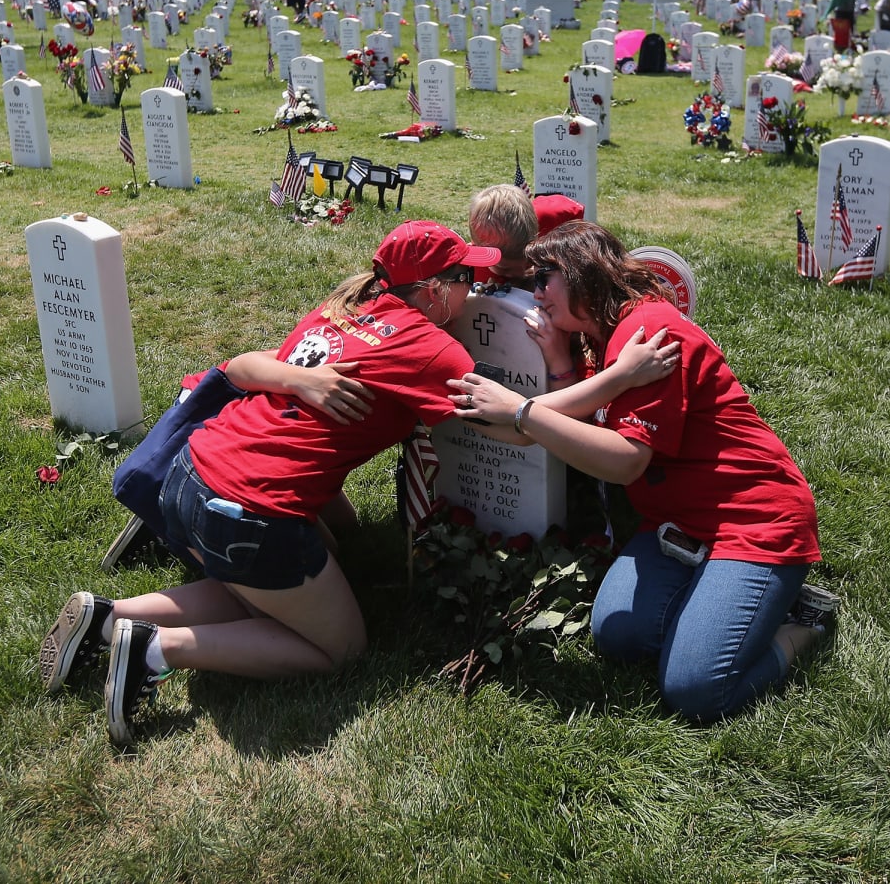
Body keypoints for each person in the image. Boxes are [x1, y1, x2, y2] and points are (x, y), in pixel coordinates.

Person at [40, 222, 503, 746]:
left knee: (267, 598)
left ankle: (109, 618)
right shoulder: (431, 348)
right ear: (434, 291)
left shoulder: (341, 310)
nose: (478, 287)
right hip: (248, 512)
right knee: (340, 649)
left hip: (190, 473)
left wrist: (344, 530)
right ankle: (157, 650)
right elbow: (500, 417)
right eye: (468, 276)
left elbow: (274, 398)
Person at [450, 222, 835, 723]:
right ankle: (734, 605)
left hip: (752, 518)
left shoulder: (650, 333)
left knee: (696, 691)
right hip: (678, 528)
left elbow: (626, 460)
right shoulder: (603, 338)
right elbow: (574, 421)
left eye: (545, 276)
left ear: (585, 271)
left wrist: (521, 411)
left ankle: (803, 621)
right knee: (618, 635)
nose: (535, 290)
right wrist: (551, 364)